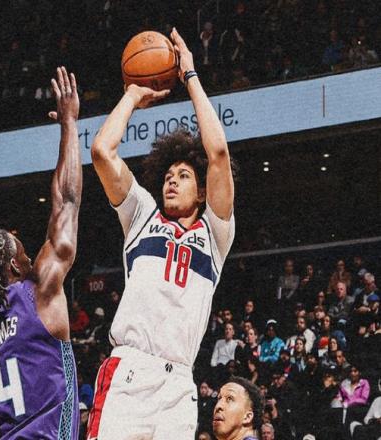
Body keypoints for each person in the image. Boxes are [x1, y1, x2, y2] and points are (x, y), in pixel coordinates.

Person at [87, 28, 235, 440]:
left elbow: (218, 154)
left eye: (183, 175)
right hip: (130, 373)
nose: (172, 180)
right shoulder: (142, 216)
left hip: (179, 384)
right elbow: (102, 152)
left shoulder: (215, 235)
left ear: (202, 192)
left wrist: (190, 76)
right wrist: (132, 96)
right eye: (168, 175)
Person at [0, 67, 82, 439]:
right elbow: (66, 202)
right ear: (13, 265)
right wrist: (70, 124)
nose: (29, 258)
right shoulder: (40, 292)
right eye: (22, 252)